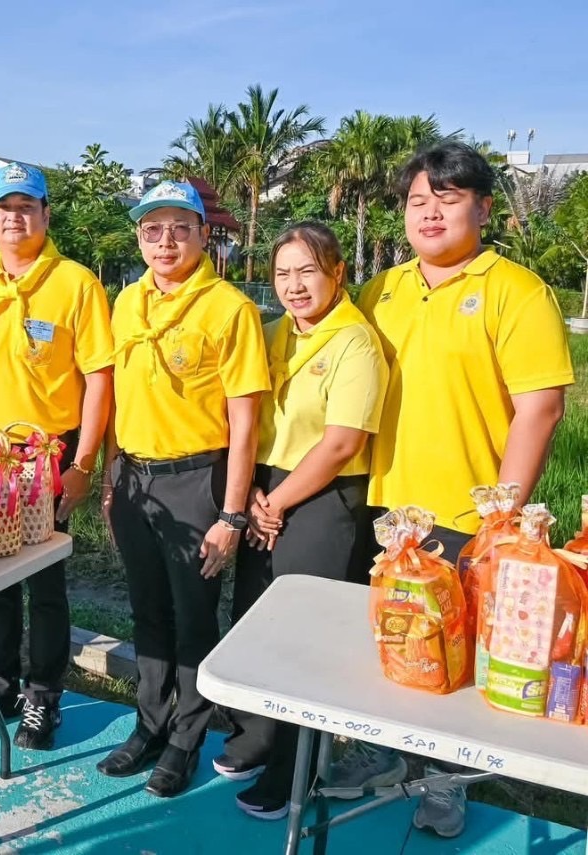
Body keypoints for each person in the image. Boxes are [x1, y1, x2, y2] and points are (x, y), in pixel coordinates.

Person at [332, 141, 574, 839]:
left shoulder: (516, 291)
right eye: (417, 199)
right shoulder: (383, 291)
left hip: (469, 514)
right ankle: (381, 751)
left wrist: (503, 517)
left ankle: (444, 778)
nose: (430, 211)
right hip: (384, 510)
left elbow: (541, 408)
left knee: (457, 656)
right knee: (392, 638)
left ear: (484, 208)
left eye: (448, 196)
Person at [96, 180, 269, 798]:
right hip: (135, 477)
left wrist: (232, 515)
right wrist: (113, 476)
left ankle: (186, 735)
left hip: (197, 479)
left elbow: (244, 420)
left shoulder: (229, 308)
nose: (164, 241)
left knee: (193, 613)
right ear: (139, 237)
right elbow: (118, 394)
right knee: (147, 606)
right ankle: (150, 722)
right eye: (151, 229)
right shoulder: (127, 301)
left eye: (179, 228)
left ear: (203, 234)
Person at [212, 223, 387, 820]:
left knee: (301, 638)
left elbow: (341, 443)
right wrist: (254, 496)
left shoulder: (356, 343)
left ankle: (298, 769)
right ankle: (259, 736)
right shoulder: (270, 334)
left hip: (320, 499)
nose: (294, 285)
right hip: (265, 487)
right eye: (283, 273)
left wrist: (277, 503)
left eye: (307, 271)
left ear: (338, 273)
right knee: (254, 618)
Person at [0, 163, 114, 750]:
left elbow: (98, 378)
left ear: (45, 215)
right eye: (3, 207)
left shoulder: (75, 282)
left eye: (26, 207)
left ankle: (44, 694)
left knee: (44, 580)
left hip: (47, 449)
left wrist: (83, 463)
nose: (14, 217)